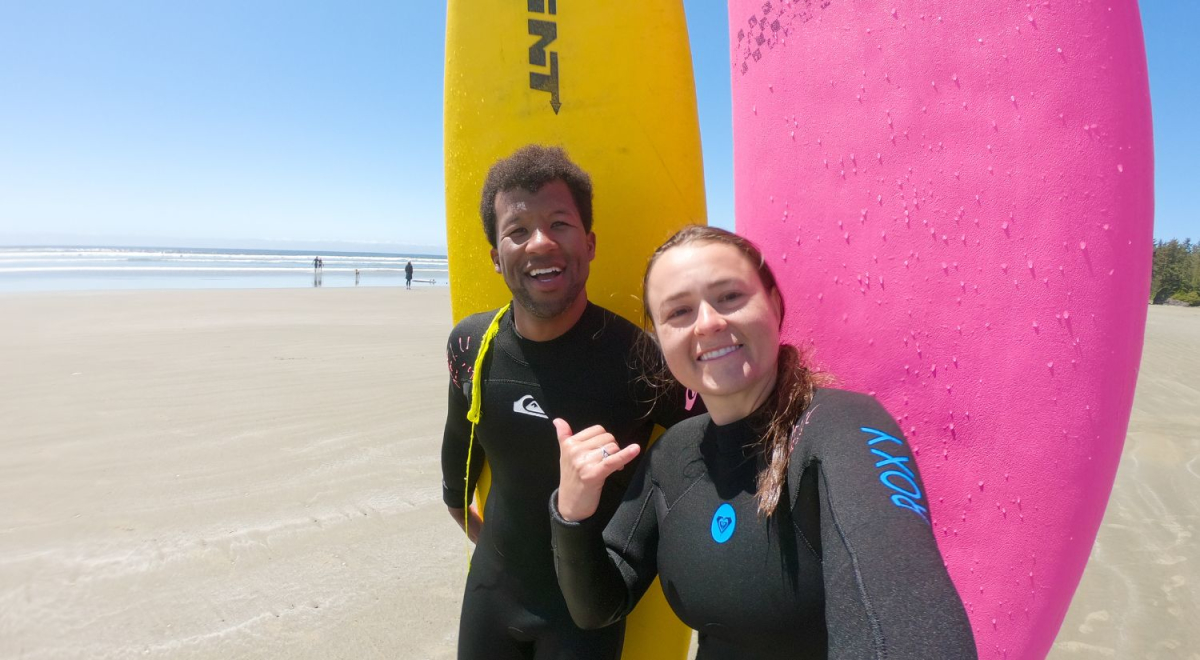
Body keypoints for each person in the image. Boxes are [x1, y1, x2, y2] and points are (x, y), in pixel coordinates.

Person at [550, 226, 978, 660]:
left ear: (774, 305)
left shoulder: (843, 428)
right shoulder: (673, 454)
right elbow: (599, 606)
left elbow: (906, 620)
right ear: (659, 338)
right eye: (678, 312)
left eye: (730, 297)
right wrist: (572, 512)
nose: (709, 323)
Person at [440, 145, 700, 660]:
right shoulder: (472, 344)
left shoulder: (640, 359)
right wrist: (486, 540)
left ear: (590, 243)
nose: (540, 243)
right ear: (496, 257)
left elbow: (711, 449)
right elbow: (456, 472)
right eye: (517, 231)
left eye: (560, 224)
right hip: (491, 597)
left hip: (584, 617)